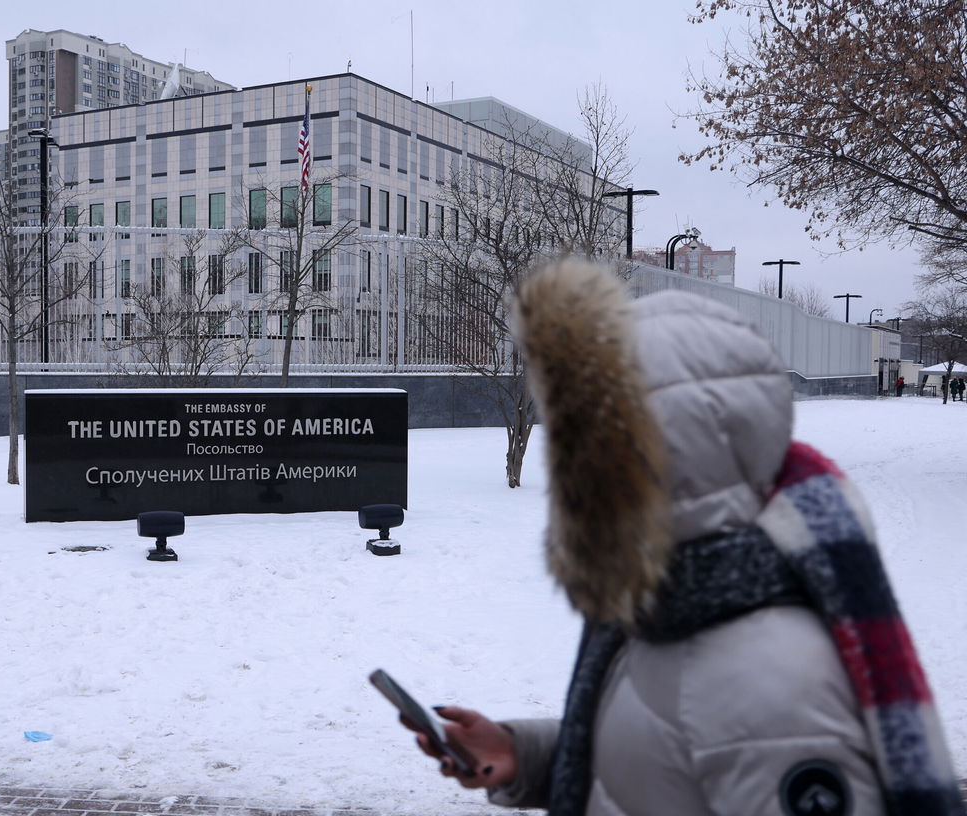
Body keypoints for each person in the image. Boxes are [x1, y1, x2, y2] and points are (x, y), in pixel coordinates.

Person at [404, 259, 963, 816]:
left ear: (670, 449)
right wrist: (522, 755)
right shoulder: (672, 608)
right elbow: (659, 763)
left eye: (598, 438)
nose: (574, 469)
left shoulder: (767, 681)